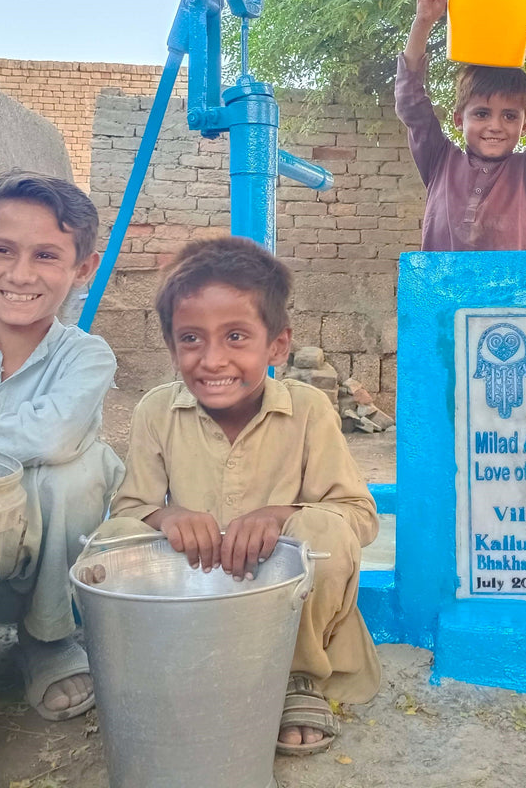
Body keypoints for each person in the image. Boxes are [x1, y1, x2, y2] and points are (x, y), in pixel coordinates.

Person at [102, 236, 380, 756]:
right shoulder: (155, 411)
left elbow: (359, 518)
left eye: (235, 336)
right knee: (114, 540)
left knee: (325, 530)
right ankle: (162, 668)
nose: (212, 360)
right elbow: (129, 511)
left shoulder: (310, 410)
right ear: (170, 345)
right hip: (196, 602)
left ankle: (298, 679)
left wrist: (283, 515)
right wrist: (166, 517)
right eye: (191, 338)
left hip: (285, 614)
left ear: (276, 345)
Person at [0, 171, 124, 719]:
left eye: (46, 256)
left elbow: (55, 432)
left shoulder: (86, 355)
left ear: (82, 268)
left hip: (29, 564)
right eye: (3, 251)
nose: (20, 274)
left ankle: (46, 638)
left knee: (81, 468)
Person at [396, 0, 526, 250]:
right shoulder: (439, 161)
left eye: (510, 116)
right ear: (459, 119)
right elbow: (411, 103)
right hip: (445, 291)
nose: (495, 125)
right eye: (481, 114)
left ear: (525, 124)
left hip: (511, 293)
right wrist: (423, 22)